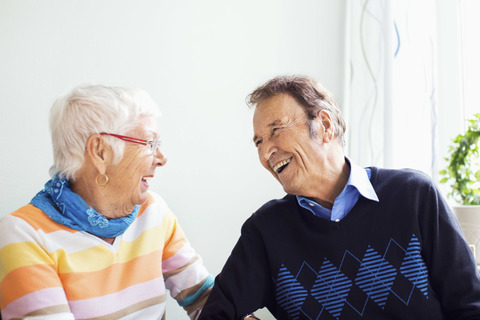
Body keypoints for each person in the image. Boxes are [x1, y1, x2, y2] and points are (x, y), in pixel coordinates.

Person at [199, 75, 480, 319]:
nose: (265, 152)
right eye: (259, 142)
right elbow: (215, 314)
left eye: (276, 130)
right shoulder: (265, 232)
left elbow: (470, 307)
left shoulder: (414, 195)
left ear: (324, 125)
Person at [0, 85, 213, 320]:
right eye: (150, 143)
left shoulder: (152, 211)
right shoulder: (24, 234)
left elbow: (206, 300)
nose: (161, 158)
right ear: (100, 152)